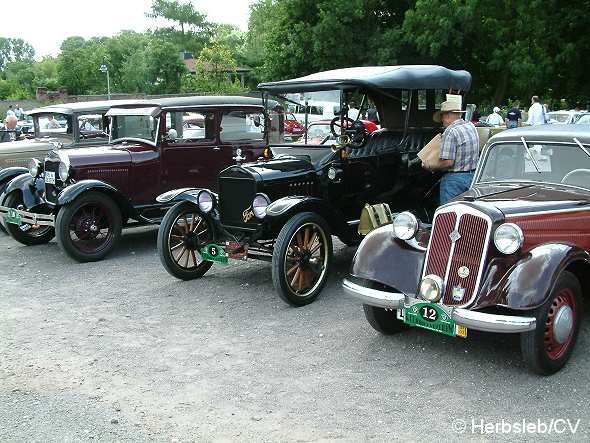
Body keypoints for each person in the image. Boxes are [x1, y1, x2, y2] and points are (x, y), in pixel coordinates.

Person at [424, 101, 480, 205]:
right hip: (473, 177)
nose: (442, 121)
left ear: (447, 115)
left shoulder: (450, 132)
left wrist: (430, 166)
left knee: (449, 214)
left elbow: (448, 162)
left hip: (455, 180)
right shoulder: (471, 126)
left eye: (442, 116)